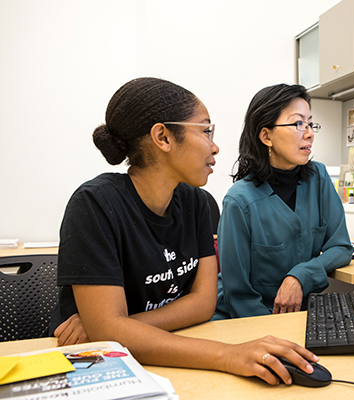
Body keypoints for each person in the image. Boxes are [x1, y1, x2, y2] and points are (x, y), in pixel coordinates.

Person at [47, 77, 319, 386]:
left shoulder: (198, 203)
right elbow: (108, 336)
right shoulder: (95, 204)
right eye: (205, 131)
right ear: (163, 137)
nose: (214, 145)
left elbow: (203, 303)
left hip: (167, 352)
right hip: (92, 362)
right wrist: (227, 355)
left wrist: (115, 326)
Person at [213, 84, 353, 319]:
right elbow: (238, 296)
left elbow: (341, 247)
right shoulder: (239, 200)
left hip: (296, 317)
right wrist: (275, 332)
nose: (309, 133)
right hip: (245, 318)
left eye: (310, 123)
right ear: (266, 136)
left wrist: (300, 275)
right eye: (298, 124)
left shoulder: (318, 177)